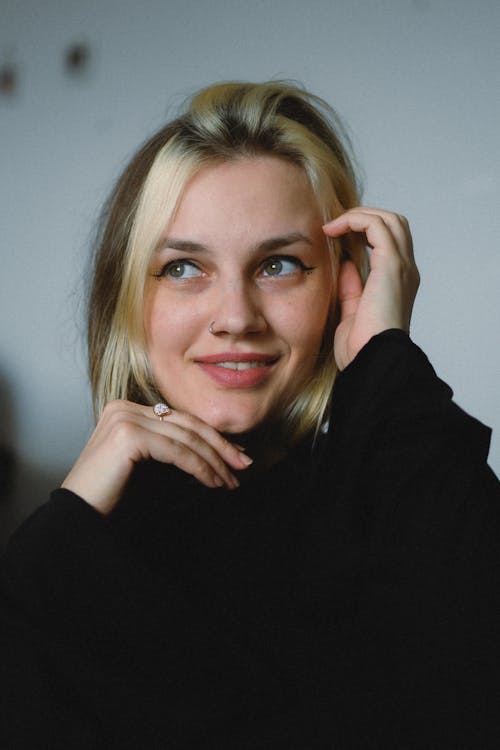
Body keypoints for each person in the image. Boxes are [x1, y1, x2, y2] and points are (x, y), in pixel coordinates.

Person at [1, 81, 499, 748]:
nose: (236, 316)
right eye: (183, 268)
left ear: (341, 288)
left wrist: (387, 361)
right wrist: (67, 525)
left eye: (279, 265)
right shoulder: (68, 562)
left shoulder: (405, 510)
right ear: (126, 301)